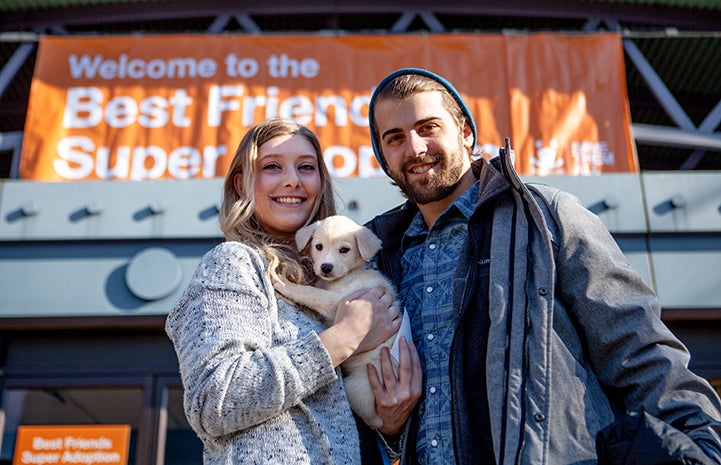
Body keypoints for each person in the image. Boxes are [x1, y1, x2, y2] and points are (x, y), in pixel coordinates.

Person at [364, 68, 721, 465]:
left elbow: (638, 349)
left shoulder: (547, 217)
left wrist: (703, 446)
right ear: (383, 154)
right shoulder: (380, 258)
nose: (414, 149)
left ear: (465, 132)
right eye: (394, 138)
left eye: (428, 127)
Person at [165, 117, 417, 465]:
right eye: (272, 167)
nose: (292, 181)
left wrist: (390, 427)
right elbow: (214, 400)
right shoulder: (232, 264)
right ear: (241, 185)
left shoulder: (330, 275)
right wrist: (341, 340)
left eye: (306, 167)